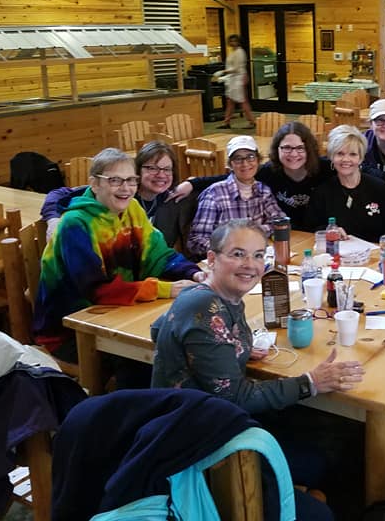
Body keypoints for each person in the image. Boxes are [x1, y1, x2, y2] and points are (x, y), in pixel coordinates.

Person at [151, 219, 363, 520]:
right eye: (237, 254)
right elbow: (237, 397)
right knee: (321, 508)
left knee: (321, 460)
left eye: (258, 255)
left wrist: (228, 347)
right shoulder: (205, 308)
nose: (250, 265)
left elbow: (157, 328)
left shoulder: (205, 295)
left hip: (215, 420)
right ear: (211, 259)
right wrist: (310, 382)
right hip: (201, 447)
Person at [33, 148, 203, 372]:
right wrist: (164, 289)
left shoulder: (132, 208)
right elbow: (96, 290)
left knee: (187, 336)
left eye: (131, 180)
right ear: (95, 184)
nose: (126, 188)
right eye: (115, 180)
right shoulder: (75, 224)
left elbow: (159, 254)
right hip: (72, 332)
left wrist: (194, 273)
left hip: (119, 314)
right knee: (154, 357)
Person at [41, 141, 226, 254]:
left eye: (167, 169)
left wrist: (193, 183)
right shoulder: (119, 192)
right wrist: (53, 220)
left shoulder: (170, 197)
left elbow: (230, 178)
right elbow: (58, 194)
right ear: (137, 170)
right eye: (152, 168)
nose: (161, 175)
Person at [187, 135, 284, 258]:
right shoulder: (214, 194)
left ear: (258, 160)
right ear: (230, 164)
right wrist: (229, 247)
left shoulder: (263, 190)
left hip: (256, 256)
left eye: (250, 157)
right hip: (224, 261)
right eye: (238, 159)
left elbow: (280, 221)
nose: (245, 163)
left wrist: (253, 233)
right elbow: (196, 241)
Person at [306, 124, 385, 242]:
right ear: (331, 157)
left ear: (361, 158)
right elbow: (311, 229)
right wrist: (328, 231)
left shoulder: (381, 190)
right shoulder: (321, 192)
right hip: (336, 251)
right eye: (340, 154)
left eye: (352, 154)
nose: (346, 159)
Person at [255, 121, 334, 230]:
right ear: (277, 149)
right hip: (284, 234)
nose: (293, 154)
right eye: (287, 147)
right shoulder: (266, 172)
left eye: (300, 148)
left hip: (320, 234)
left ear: (309, 149)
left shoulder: (327, 169)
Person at [215, 33, 255, 129]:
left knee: (242, 101)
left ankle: (252, 121)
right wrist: (226, 77)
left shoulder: (240, 52)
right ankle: (227, 122)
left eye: (235, 41)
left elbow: (236, 68)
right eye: (231, 41)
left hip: (239, 78)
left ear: (239, 42)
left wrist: (223, 72)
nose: (233, 43)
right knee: (230, 101)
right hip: (233, 79)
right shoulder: (232, 52)